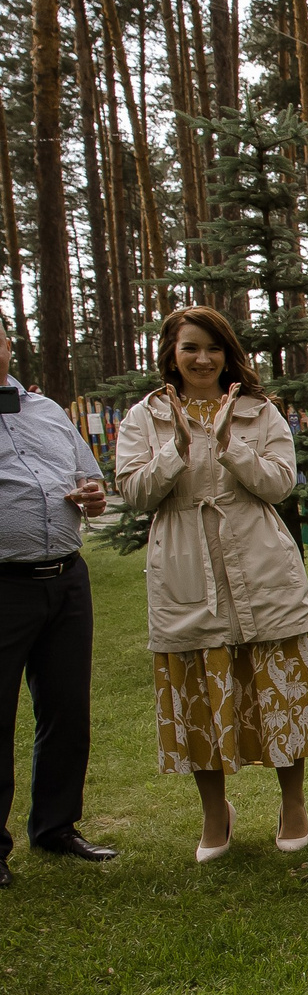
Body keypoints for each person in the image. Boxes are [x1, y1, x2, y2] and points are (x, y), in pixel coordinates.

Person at [115, 307, 308, 859]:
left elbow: (279, 485)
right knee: (200, 691)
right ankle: (214, 813)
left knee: (276, 688)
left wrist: (228, 444)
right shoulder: (144, 418)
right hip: (185, 570)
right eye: (190, 347)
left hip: (260, 564)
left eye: (213, 348)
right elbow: (136, 493)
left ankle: (293, 804)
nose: (202, 359)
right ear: (171, 351)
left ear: (228, 353)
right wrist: (178, 449)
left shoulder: (257, 410)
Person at [0, 321, 114, 884]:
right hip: (3, 585)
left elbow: (93, 489)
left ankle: (56, 826)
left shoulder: (46, 411)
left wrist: (92, 496)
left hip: (67, 579)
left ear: (6, 345)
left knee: (67, 711)